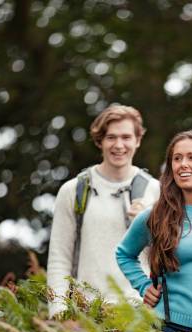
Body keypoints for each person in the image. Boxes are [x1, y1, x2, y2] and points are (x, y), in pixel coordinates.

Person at [116, 130, 192, 332]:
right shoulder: (155, 216)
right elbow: (124, 253)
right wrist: (144, 287)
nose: (183, 165)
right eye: (177, 158)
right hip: (170, 329)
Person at [47, 105, 160, 318]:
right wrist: (59, 312)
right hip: (85, 313)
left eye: (126, 137)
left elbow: (169, 257)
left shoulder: (156, 191)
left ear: (138, 140)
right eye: (111, 137)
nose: (119, 145)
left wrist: (150, 227)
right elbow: (59, 258)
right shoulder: (73, 190)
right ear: (100, 141)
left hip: (140, 314)